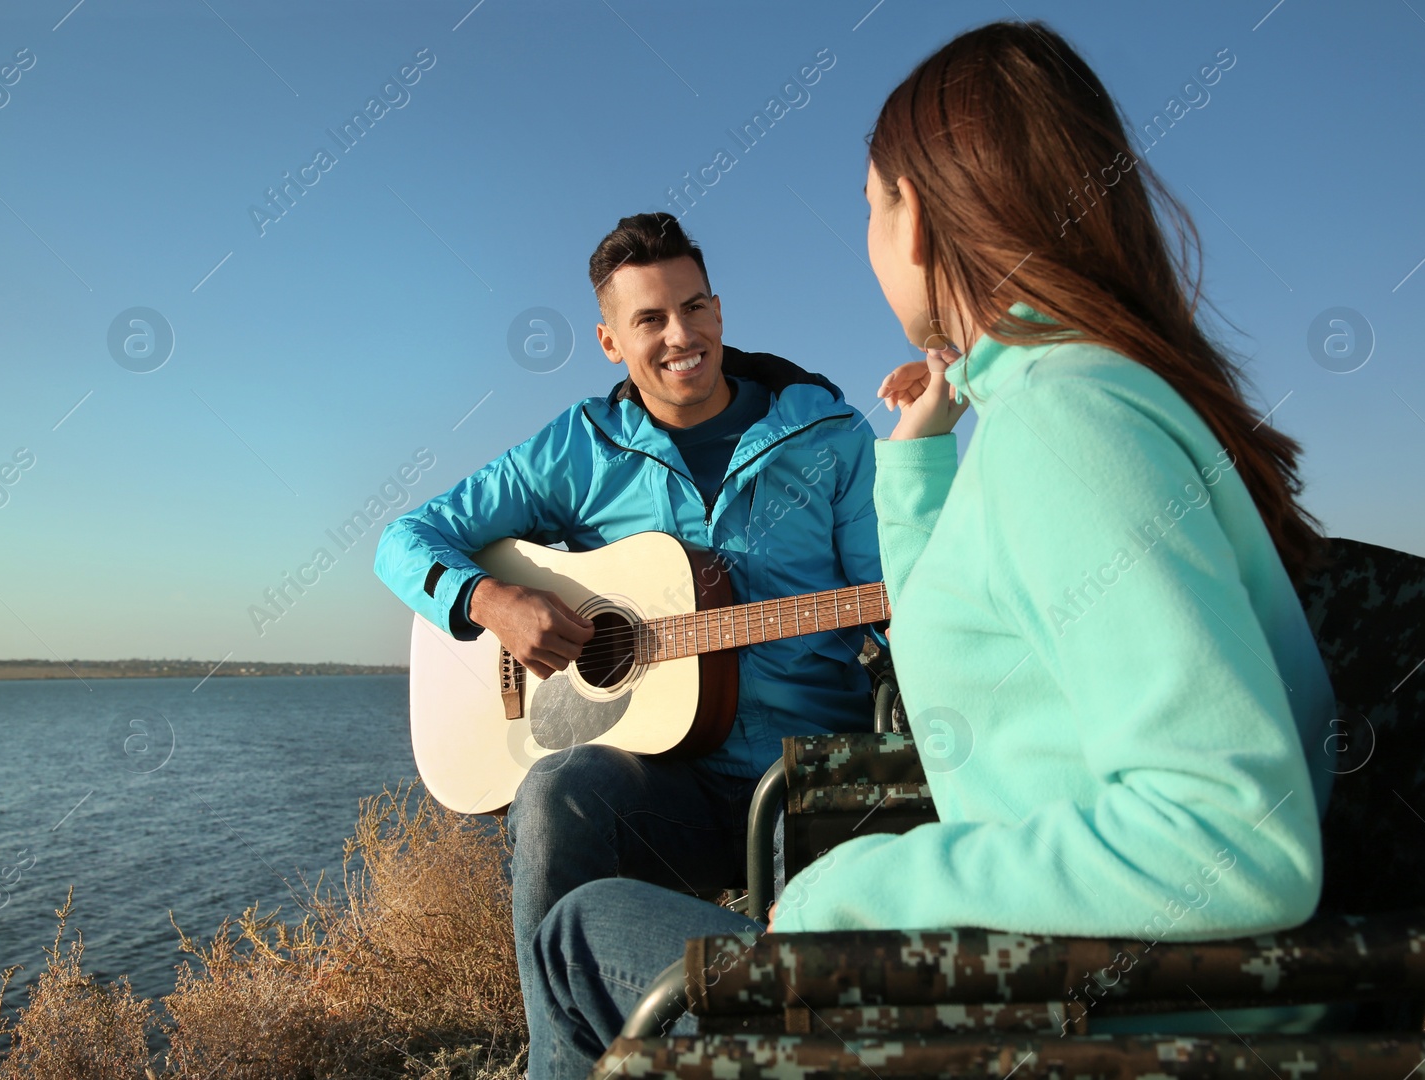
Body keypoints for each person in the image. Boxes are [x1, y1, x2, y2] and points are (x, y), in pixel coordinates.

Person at [521, 20, 1341, 1078]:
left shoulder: (1071, 425)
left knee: (579, 937)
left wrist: (855, 895)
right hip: (1069, 986)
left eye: (869, 206)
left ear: (915, 222)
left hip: (1092, 1027)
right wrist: (918, 449)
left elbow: (1226, 840)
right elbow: (971, 647)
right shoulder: (1069, 402)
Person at [372, 212, 885, 1026]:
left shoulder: (831, 435)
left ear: (719, 310)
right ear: (611, 341)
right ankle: (566, 1055)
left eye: (696, 308)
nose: (681, 334)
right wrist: (492, 602)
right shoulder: (579, 448)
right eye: (650, 318)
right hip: (667, 779)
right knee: (556, 793)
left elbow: (895, 598)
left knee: (793, 998)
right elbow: (403, 542)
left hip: (808, 778)